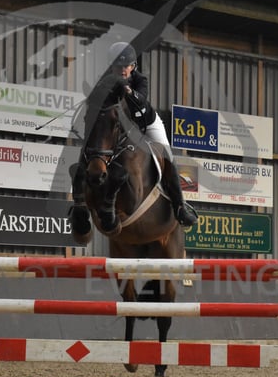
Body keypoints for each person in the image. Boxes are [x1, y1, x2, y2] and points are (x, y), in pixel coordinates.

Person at [68, 41, 198, 237]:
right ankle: (78, 199)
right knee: (91, 146)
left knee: (168, 155)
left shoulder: (140, 80)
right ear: (111, 66)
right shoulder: (104, 80)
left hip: (145, 122)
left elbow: (141, 102)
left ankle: (180, 206)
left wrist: (127, 90)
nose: (122, 70)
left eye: (126, 66)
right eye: (118, 66)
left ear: (132, 66)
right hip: (118, 126)